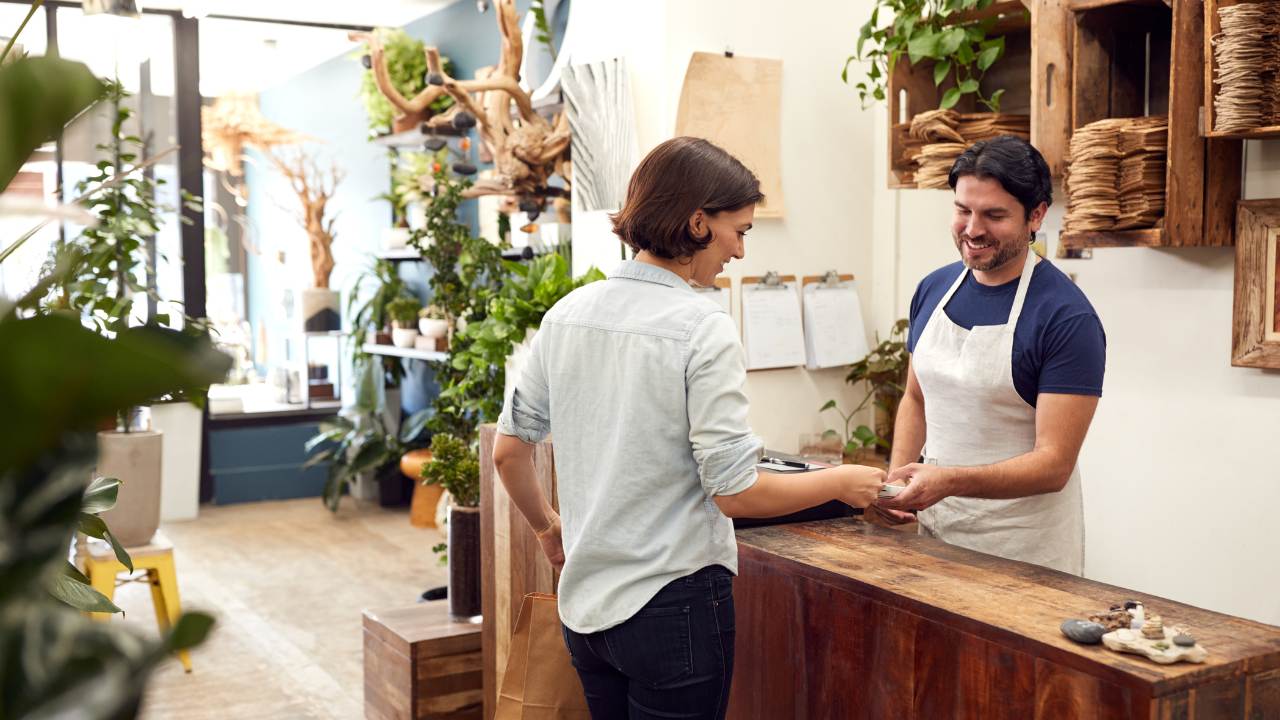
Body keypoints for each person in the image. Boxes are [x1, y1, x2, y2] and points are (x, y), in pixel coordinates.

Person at [492, 136, 886, 719]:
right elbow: (735, 491)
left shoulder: (568, 315)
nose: (742, 252)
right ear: (699, 223)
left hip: (584, 606)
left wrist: (549, 529)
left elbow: (508, 453)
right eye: (741, 230)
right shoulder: (703, 326)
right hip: (672, 607)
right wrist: (840, 482)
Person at [877, 135, 1106, 575]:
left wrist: (949, 480)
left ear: (1036, 215)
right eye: (963, 210)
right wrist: (897, 481)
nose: (973, 229)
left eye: (994, 215)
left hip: (1024, 550)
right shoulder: (934, 289)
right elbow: (917, 398)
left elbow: (1054, 464)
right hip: (937, 535)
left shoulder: (1066, 317)